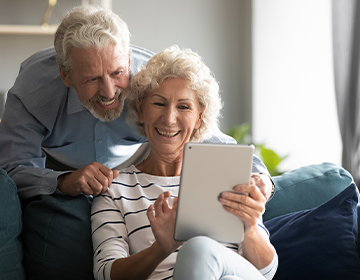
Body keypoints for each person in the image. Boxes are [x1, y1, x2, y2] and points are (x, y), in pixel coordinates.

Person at [0, 5, 273, 280]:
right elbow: (12, 171)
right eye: (92, 79)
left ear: (128, 62)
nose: (108, 92)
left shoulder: (153, 80)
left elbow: (266, 269)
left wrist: (262, 184)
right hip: (64, 163)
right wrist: (62, 181)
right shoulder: (34, 94)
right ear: (66, 76)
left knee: (206, 255)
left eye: (117, 73)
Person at [91, 45, 278, 280]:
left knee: (204, 253)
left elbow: (266, 272)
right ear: (140, 111)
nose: (169, 119)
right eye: (159, 103)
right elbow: (105, 274)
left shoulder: (227, 176)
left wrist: (250, 229)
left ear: (199, 117)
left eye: (183, 106)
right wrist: (160, 249)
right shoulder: (113, 189)